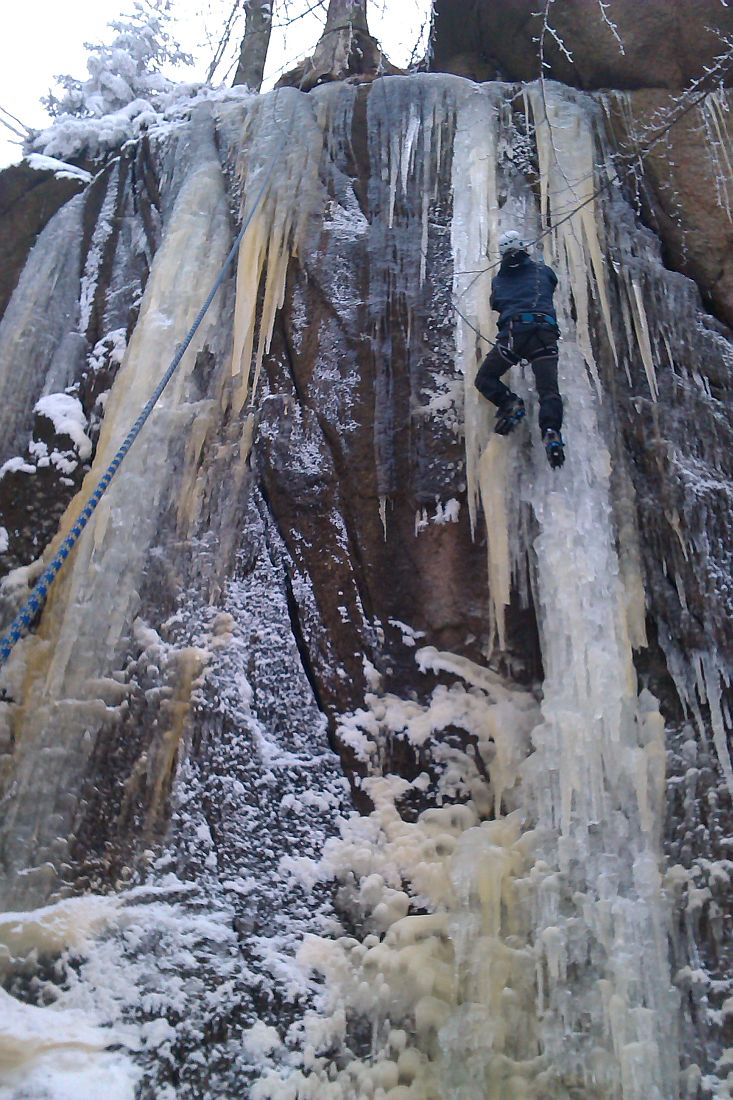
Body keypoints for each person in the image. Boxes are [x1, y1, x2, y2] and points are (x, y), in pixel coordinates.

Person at [474, 230, 565, 468]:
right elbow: (551, 282)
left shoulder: (499, 280)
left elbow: (496, 303)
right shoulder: (542, 271)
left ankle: (510, 404)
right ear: (524, 248)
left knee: (485, 378)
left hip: (515, 335)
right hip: (545, 335)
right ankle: (551, 432)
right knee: (549, 391)